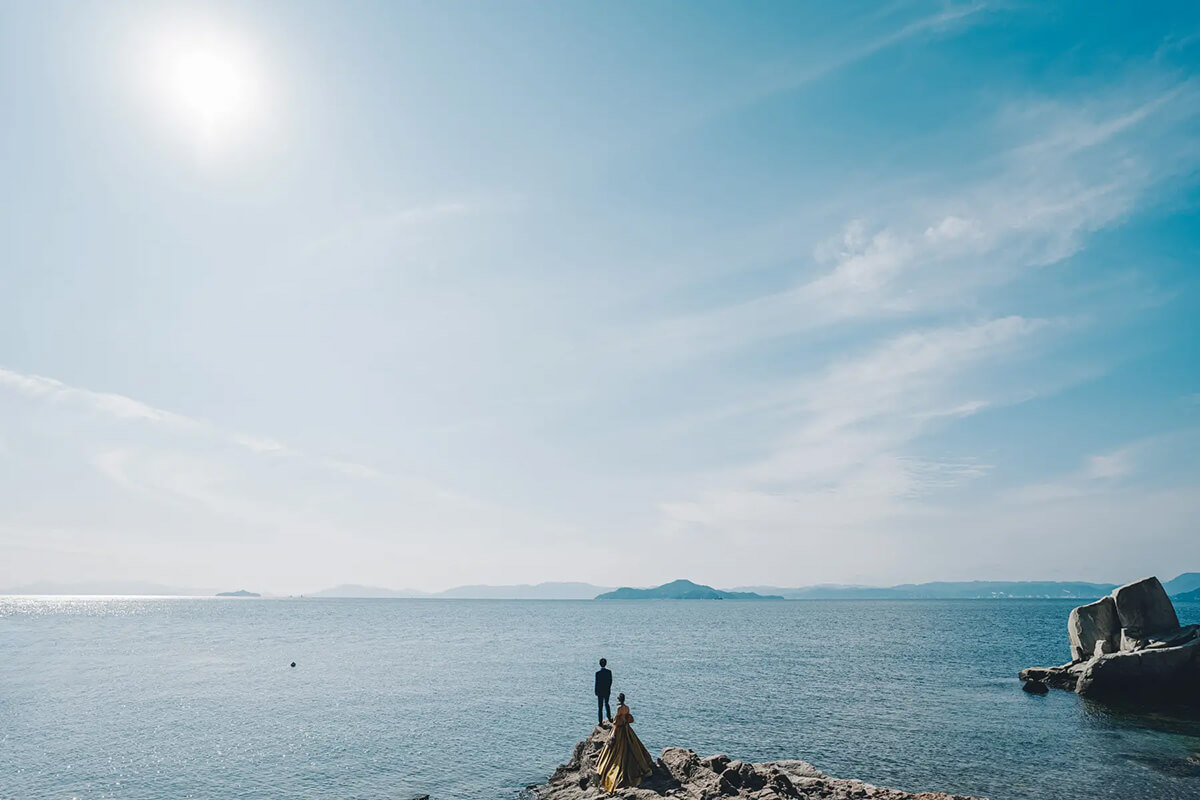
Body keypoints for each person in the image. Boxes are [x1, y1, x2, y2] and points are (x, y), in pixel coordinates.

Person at [594, 693, 654, 793]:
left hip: (619, 731)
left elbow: (616, 723)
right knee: (634, 748)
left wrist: (613, 735)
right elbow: (629, 718)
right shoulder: (627, 708)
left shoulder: (619, 709)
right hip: (627, 730)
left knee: (615, 752)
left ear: (619, 700)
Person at [595, 658, 613, 724]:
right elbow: (610, 681)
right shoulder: (609, 672)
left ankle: (600, 721)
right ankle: (609, 717)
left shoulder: (598, 673)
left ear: (600, 664)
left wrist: (596, 691)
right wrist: (608, 688)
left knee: (600, 707)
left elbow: (597, 683)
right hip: (606, 691)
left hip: (600, 692)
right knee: (607, 704)